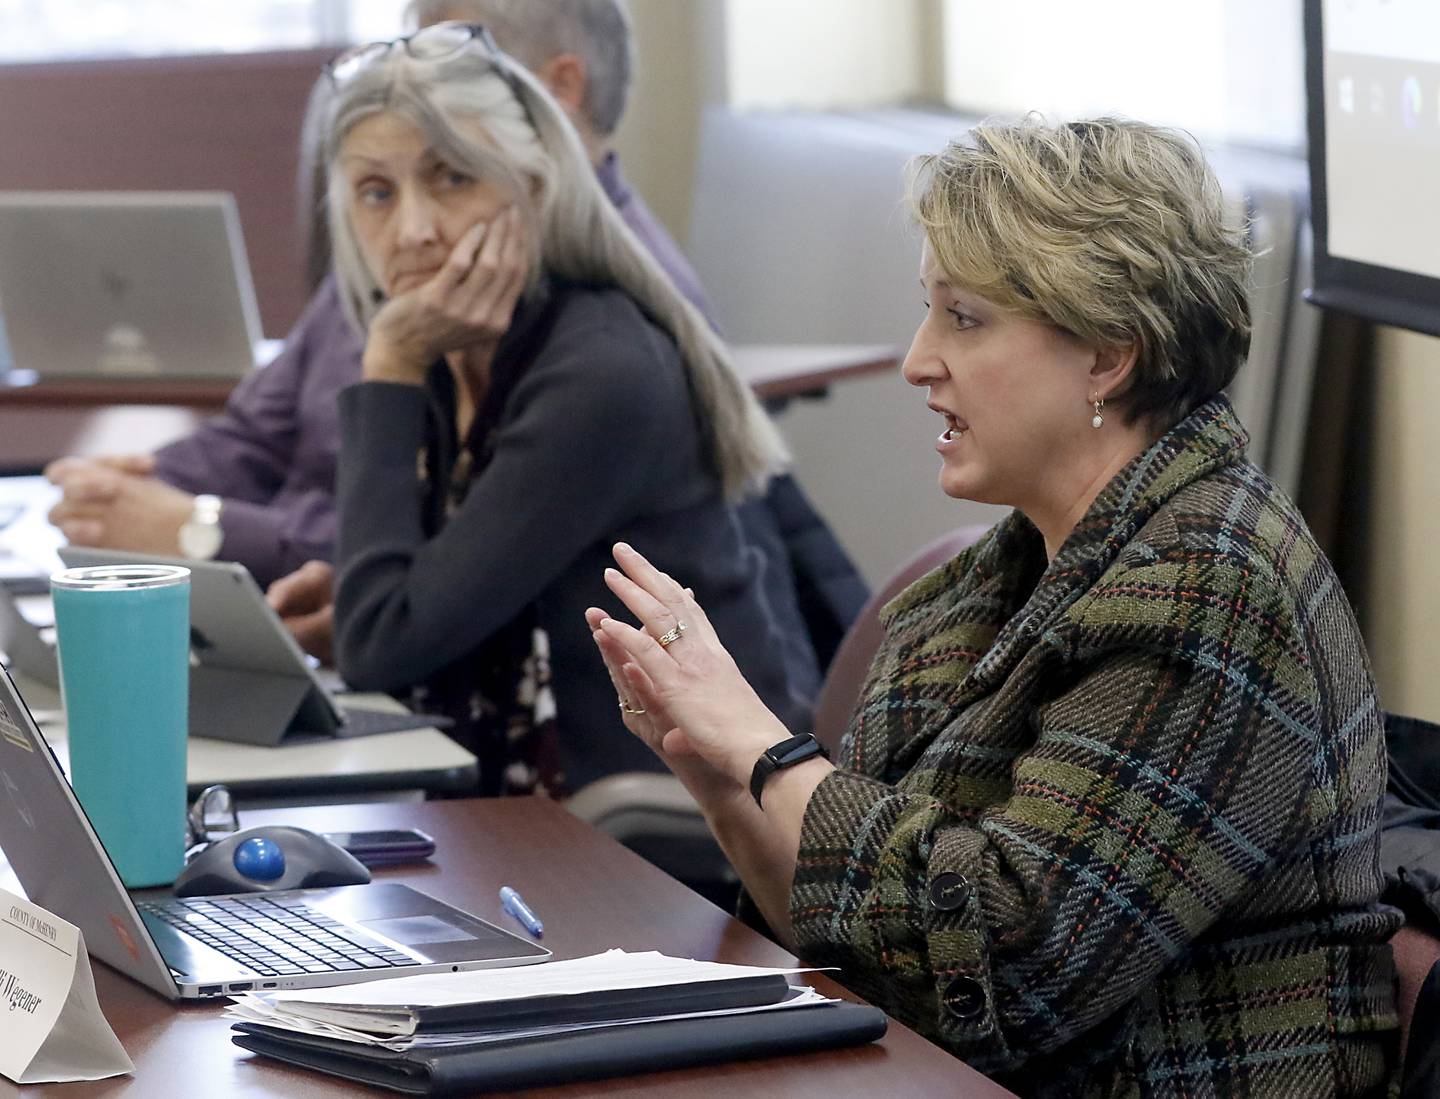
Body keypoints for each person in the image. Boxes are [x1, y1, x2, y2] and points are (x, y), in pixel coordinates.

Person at [586, 117, 1401, 1096]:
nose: (918, 360)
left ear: (1107, 354)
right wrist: (720, 777)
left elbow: (1012, 969)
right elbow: (866, 934)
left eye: (964, 319)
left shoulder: (1211, 592)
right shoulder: (1010, 572)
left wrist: (766, 752)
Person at [303, 22, 814, 800]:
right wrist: (350, 598)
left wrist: (391, 364)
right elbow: (404, 616)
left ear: (534, 187)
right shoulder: (454, 348)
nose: (412, 231)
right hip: (511, 810)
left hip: (659, 834)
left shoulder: (599, 371)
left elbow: (383, 645)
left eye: (453, 178)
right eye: (376, 192)